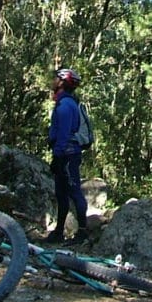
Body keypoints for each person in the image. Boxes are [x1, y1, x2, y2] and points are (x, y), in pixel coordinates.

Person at [44, 67, 89, 244]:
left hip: (67, 155)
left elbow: (63, 134)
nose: (53, 81)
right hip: (66, 154)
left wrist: (57, 156)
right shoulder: (67, 103)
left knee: (73, 191)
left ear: (62, 82)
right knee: (62, 192)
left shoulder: (65, 106)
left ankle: (83, 232)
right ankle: (59, 231)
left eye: (56, 78)